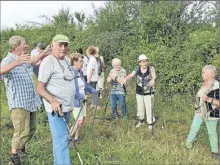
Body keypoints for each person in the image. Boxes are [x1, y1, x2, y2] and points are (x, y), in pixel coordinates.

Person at [0, 35, 49, 165]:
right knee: (21, 131)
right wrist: (16, 63)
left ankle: (19, 148)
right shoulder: (8, 60)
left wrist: (44, 53)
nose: (27, 45)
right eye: (24, 43)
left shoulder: (24, 57)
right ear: (16, 46)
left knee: (32, 129)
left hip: (30, 101)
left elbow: (32, 62)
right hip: (19, 102)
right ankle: (14, 158)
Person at [37, 34, 75, 165]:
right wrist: (53, 101)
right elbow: (40, 88)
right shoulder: (48, 61)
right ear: (52, 45)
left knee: (59, 141)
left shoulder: (66, 60)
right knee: (62, 140)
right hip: (56, 109)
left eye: (65, 45)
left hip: (67, 107)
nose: (63, 48)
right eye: (60, 45)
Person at [185, 65, 219, 160]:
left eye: (204, 72)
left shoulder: (216, 86)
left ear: (211, 74)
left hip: (212, 114)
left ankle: (215, 152)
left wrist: (209, 100)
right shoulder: (204, 84)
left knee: (212, 133)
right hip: (200, 112)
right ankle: (187, 145)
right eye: (202, 72)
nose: (202, 74)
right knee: (194, 128)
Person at [69, 53, 97, 142]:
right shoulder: (70, 73)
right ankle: (68, 138)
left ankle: (77, 138)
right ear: (74, 62)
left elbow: (85, 86)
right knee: (79, 121)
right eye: (81, 61)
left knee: (83, 119)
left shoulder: (80, 72)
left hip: (83, 100)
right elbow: (71, 91)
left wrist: (95, 91)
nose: (83, 63)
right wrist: (82, 96)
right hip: (75, 101)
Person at [123, 54, 156, 129]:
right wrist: (125, 79)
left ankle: (150, 123)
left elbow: (154, 76)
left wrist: (153, 80)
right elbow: (131, 75)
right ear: (140, 63)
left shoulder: (151, 68)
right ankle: (141, 121)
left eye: (146, 61)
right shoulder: (137, 68)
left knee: (148, 107)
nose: (145, 63)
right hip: (139, 91)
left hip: (148, 91)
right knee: (140, 107)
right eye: (143, 62)